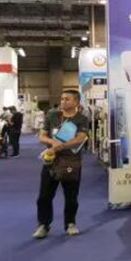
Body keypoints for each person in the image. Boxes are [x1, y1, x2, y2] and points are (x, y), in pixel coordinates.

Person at [35, 89, 91, 239]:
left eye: (67, 99)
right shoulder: (52, 116)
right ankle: (43, 225)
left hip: (71, 161)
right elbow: (42, 136)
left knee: (71, 196)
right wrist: (52, 142)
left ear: (76, 102)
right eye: (62, 99)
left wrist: (60, 146)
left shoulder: (81, 119)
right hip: (50, 160)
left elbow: (80, 138)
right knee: (44, 196)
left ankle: (70, 223)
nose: (63, 101)